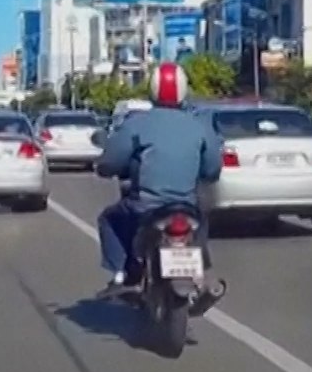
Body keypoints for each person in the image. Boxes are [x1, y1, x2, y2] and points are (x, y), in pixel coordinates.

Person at [94, 61, 224, 299]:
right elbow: (213, 169)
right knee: (201, 223)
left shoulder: (137, 124)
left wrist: (105, 168)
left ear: (151, 90)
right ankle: (204, 273)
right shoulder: (200, 126)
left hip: (145, 207)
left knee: (108, 220)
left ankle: (121, 274)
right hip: (188, 206)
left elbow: (111, 161)